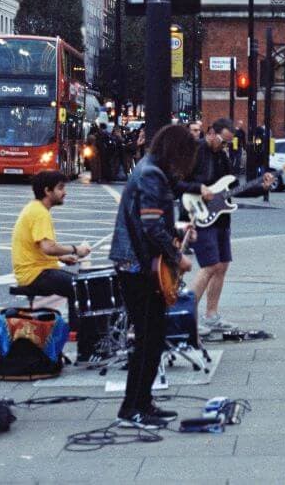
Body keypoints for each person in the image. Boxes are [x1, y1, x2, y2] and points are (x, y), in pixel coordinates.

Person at [108, 124, 198, 429]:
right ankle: (131, 408)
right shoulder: (150, 174)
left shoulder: (151, 170)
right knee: (148, 338)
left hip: (140, 264)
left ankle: (143, 402)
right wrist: (178, 257)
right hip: (137, 267)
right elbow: (150, 226)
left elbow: (154, 221)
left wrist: (180, 233)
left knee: (154, 337)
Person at [180, 119, 270, 335]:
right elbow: (177, 183)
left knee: (222, 265)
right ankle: (185, 316)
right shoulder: (195, 152)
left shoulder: (222, 156)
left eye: (229, 143)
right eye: (222, 141)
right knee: (209, 265)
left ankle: (211, 315)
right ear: (211, 133)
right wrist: (199, 187)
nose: (225, 146)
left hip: (220, 218)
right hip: (198, 215)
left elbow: (234, 189)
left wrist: (260, 187)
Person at [11, 170, 91, 328]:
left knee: (78, 284)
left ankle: (77, 329)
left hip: (35, 270)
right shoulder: (40, 213)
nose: (65, 193)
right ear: (48, 191)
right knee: (79, 286)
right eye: (60, 188)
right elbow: (48, 247)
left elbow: (37, 247)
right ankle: (77, 332)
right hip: (35, 274)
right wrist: (76, 249)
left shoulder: (35, 208)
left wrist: (60, 259)